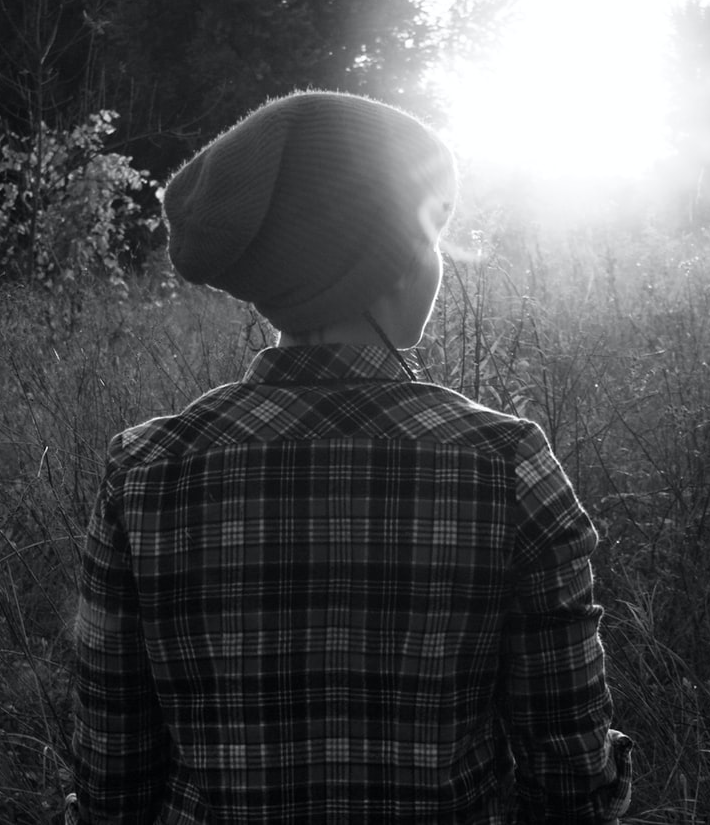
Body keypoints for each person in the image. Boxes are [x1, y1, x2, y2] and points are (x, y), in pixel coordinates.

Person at [72, 90, 632, 823]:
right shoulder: (507, 465)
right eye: (433, 232)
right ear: (390, 262)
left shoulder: (145, 471)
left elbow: (114, 769)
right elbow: (569, 771)